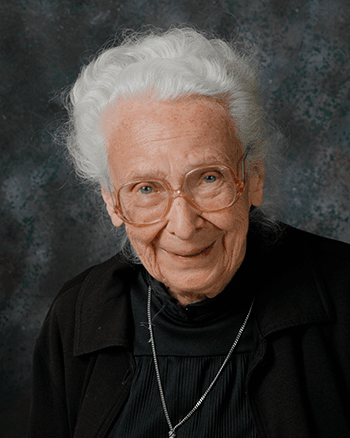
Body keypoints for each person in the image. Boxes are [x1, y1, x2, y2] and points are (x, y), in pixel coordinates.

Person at [27, 27, 350, 438]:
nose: (183, 226)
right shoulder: (76, 318)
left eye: (208, 178)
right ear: (113, 203)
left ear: (253, 177)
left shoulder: (342, 298)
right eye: (146, 188)